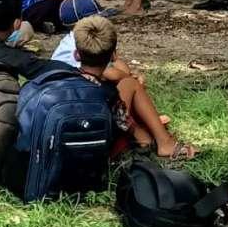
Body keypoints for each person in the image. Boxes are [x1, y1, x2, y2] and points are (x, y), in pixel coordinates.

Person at [67, 16, 196, 159]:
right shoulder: (109, 94)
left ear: (76, 55)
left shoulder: (62, 77)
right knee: (130, 84)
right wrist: (141, 134)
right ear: (113, 55)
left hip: (68, 149)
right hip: (103, 150)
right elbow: (125, 122)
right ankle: (165, 142)